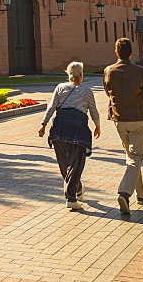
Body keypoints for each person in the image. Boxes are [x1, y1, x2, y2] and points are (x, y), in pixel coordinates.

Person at [103, 37, 143, 215]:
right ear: (131, 52)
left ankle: (141, 195)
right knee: (135, 157)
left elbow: (107, 92)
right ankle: (124, 193)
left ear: (116, 52)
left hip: (119, 119)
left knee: (132, 157)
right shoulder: (139, 71)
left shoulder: (108, 71)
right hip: (138, 119)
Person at [39, 61, 100, 211]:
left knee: (65, 164)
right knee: (76, 164)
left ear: (68, 74)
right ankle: (71, 198)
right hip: (77, 131)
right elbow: (93, 110)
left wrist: (44, 124)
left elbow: (51, 106)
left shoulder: (60, 87)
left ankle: (78, 189)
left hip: (58, 130)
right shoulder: (86, 90)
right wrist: (97, 125)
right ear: (81, 74)